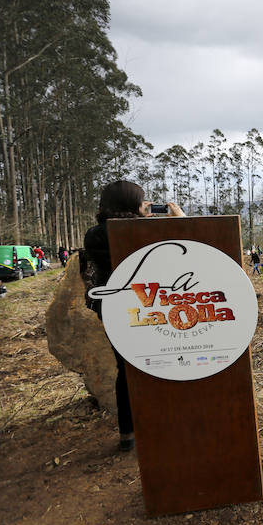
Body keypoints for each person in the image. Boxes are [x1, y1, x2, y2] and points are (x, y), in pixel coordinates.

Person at [84, 180, 185, 452]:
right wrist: (179, 220)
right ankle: (164, 424)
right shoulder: (145, 232)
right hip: (150, 306)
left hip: (114, 311)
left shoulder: (94, 235)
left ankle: (128, 433)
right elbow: (184, 251)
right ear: (131, 206)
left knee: (126, 370)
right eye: (143, 202)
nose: (148, 206)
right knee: (163, 362)